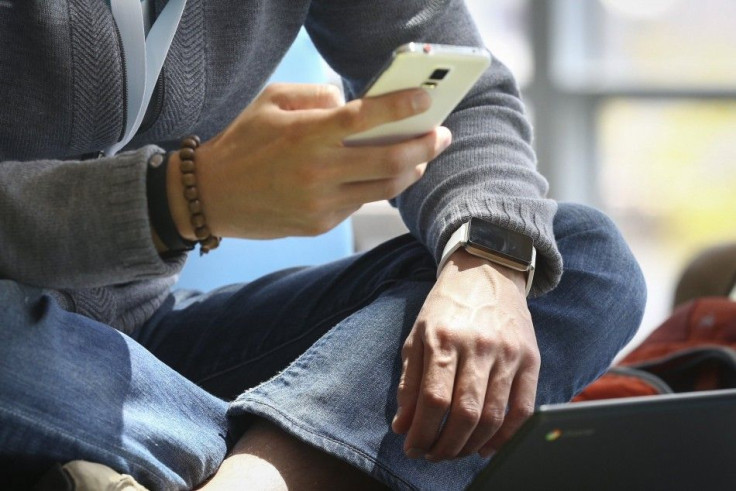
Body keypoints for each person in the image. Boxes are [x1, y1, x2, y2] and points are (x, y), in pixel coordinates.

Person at [0, 1, 646, 490]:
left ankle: (249, 475)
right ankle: (315, 455)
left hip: (145, 345)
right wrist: (177, 198)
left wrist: (484, 266)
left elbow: (463, 97)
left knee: (571, 256)